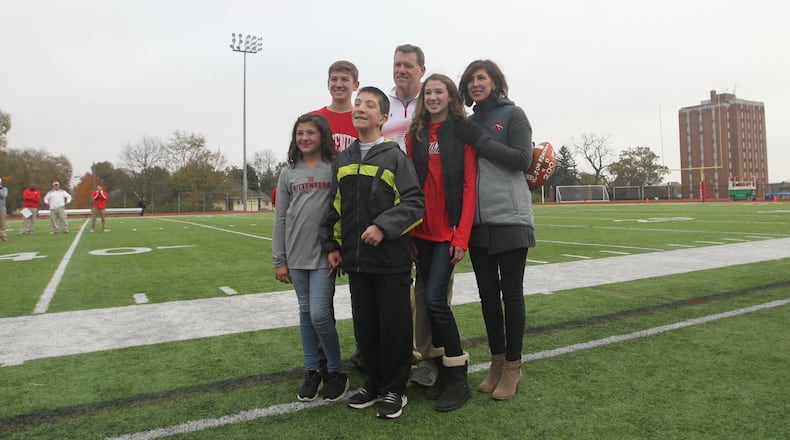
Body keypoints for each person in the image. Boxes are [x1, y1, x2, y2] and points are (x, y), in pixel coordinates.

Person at [320, 86, 424, 419]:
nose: (360, 108)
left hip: (391, 263)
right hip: (357, 262)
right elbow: (334, 208)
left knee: (394, 327)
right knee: (366, 327)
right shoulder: (345, 159)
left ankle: (396, 389)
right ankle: (375, 382)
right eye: (358, 103)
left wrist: (383, 226)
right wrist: (333, 246)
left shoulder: (395, 156)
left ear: (383, 117)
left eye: (369, 104)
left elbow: (414, 204)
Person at [456, 59, 535, 400]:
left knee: (511, 294)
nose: (476, 83)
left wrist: (479, 139)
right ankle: (496, 361)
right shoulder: (469, 121)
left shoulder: (513, 115)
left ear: (495, 82)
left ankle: (513, 367)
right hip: (478, 221)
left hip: (510, 217)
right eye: (471, 79)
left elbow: (522, 159)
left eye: (482, 78)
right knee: (488, 296)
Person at [405, 73, 477, 412]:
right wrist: (409, 233)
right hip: (420, 233)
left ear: (450, 97)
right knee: (428, 301)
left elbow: (467, 188)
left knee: (434, 300)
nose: (433, 97)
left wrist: (460, 236)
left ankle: (458, 375)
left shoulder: (460, 133)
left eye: (439, 92)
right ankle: (443, 369)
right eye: (428, 92)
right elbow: (409, 188)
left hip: (447, 235)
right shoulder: (415, 134)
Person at [273, 113, 349, 403]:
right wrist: (279, 260)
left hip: (324, 256)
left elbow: (339, 210)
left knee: (319, 313)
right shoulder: (288, 172)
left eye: (310, 133)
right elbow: (280, 217)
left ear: (323, 137)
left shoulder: (334, 168)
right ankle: (312, 371)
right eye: (299, 133)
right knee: (305, 313)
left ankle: (336, 370)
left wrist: (337, 247)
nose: (304, 138)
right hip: (295, 256)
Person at [381, 43, 443, 388]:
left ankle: (431, 356)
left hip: (430, 207)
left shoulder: (433, 101)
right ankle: (400, 352)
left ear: (422, 69)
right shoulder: (382, 104)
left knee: (431, 288)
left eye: (408, 65)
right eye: (397, 64)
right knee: (396, 286)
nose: (401, 70)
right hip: (392, 209)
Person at [312, 60, 360, 152]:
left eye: (344, 79)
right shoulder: (313, 119)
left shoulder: (364, 119)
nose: (338, 84)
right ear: (328, 83)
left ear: (356, 85)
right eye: (334, 79)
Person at [0, 178, 7, 242]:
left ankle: (3, 236)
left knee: (2, 222)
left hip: (2, 207)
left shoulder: (4, 189)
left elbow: (3, 196)